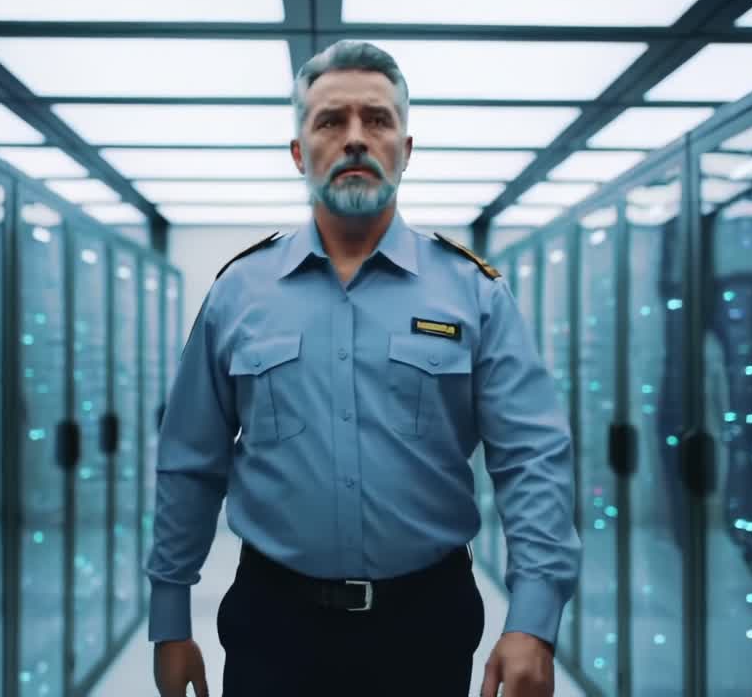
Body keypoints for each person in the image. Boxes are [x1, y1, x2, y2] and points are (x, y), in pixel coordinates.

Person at [147, 40, 581, 697]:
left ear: (406, 149)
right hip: (273, 624)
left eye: (377, 120)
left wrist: (535, 620)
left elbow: (532, 458)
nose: (355, 138)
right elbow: (189, 461)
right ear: (300, 153)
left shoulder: (474, 293)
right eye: (330, 121)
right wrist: (170, 616)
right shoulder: (238, 293)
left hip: (425, 623)